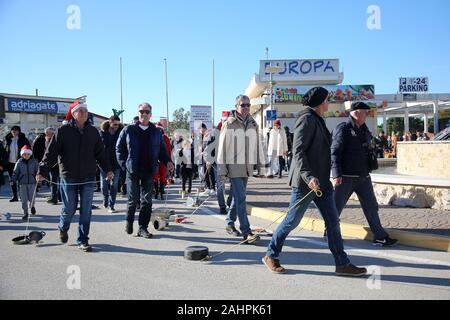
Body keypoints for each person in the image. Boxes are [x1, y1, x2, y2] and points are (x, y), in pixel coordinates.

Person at [262, 87, 367, 276]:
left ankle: (342, 263)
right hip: (306, 183)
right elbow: (299, 151)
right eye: (327, 99)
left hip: (322, 184)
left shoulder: (318, 119)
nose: (329, 103)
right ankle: (271, 254)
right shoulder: (307, 119)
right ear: (319, 102)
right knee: (292, 221)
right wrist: (309, 176)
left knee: (333, 221)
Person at [37, 101, 113, 252]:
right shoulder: (63, 131)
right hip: (68, 176)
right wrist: (42, 171)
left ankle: (83, 239)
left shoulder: (93, 132)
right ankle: (63, 227)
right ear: (73, 113)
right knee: (69, 208)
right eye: (81, 111)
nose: (84, 113)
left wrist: (108, 169)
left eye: (86, 110)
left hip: (88, 176)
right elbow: (50, 153)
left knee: (86, 210)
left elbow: (100, 154)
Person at [331, 102, 398, 247]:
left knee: (372, 206)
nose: (367, 115)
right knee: (336, 207)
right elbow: (335, 152)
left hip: (363, 176)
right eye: (365, 112)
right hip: (346, 177)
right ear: (355, 113)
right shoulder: (343, 129)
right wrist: (336, 174)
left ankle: (380, 236)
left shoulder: (365, 130)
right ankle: (330, 231)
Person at [116, 103, 174, 239]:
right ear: (138, 112)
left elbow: (162, 150)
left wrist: (168, 161)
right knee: (133, 200)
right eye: (141, 111)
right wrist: (125, 165)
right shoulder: (128, 130)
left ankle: (143, 228)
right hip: (133, 170)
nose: (144, 114)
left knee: (147, 201)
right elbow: (119, 149)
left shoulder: (155, 132)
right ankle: (129, 221)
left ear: (151, 114)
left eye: (147, 112)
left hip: (149, 170)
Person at [217, 94, 262, 244]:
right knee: (241, 198)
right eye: (243, 105)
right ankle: (246, 231)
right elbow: (222, 148)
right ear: (236, 106)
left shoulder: (253, 123)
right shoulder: (229, 123)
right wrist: (222, 170)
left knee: (237, 198)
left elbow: (257, 146)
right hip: (234, 167)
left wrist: (260, 165)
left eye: (248, 105)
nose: (246, 108)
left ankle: (230, 223)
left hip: (247, 167)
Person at [100, 115, 124, 212]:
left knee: (114, 185)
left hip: (116, 163)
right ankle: (105, 198)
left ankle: (111, 205)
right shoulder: (102, 133)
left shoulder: (121, 133)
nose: (116, 126)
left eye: (118, 125)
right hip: (104, 163)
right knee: (104, 186)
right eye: (114, 124)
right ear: (110, 122)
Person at [12, 146, 38, 220]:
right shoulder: (19, 162)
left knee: (31, 198)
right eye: (24, 154)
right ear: (22, 155)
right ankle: (25, 212)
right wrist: (13, 180)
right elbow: (15, 172)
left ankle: (32, 206)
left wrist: (38, 181)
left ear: (30, 154)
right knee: (24, 199)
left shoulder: (34, 162)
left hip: (32, 183)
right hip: (22, 183)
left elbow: (37, 171)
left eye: (28, 154)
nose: (26, 155)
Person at [5, 126, 30, 202]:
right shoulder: (8, 140)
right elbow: (5, 151)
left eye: (15, 130)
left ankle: (21, 195)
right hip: (10, 163)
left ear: (19, 131)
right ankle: (14, 196)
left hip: (20, 162)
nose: (14, 132)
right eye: (12, 130)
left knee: (20, 180)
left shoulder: (23, 140)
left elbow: (28, 150)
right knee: (12, 180)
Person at [153, 121, 172, 200]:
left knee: (163, 177)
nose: (158, 130)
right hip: (154, 160)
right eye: (157, 128)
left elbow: (168, 150)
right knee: (155, 176)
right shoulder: (152, 137)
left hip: (163, 160)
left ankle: (161, 192)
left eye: (159, 129)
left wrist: (169, 161)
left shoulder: (165, 138)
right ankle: (157, 192)